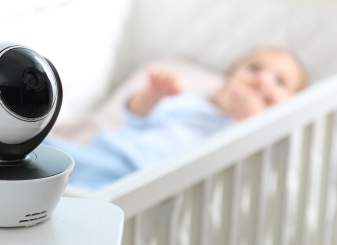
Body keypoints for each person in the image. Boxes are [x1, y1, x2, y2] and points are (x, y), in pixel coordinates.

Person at [45, 47, 308, 192]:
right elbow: (137, 117)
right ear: (228, 79)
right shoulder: (193, 102)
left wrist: (253, 119)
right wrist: (153, 95)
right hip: (114, 150)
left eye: (280, 82)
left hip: (140, 178)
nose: (262, 80)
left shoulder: (244, 133)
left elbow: (251, 160)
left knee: (84, 198)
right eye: (254, 68)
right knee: (44, 154)